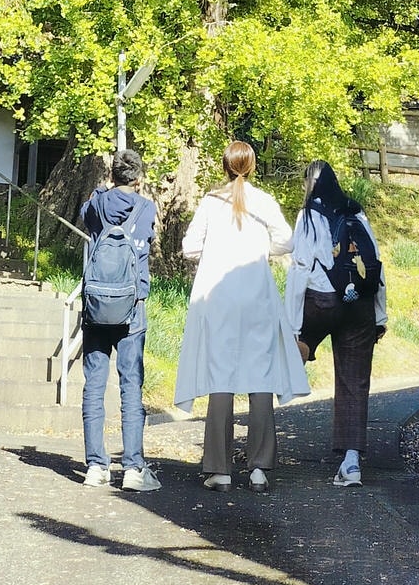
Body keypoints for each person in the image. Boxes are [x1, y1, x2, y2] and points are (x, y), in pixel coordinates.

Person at [174, 141, 309, 491]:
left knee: (221, 378)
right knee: (259, 376)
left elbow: (189, 247)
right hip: (257, 295)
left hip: (218, 295)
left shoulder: (209, 202)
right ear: (251, 167)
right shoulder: (263, 201)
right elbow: (287, 242)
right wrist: (262, 247)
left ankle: (219, 469)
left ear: (224, 165)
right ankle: (259, 467)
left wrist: (216, 249)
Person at [284, 161, 386, 486]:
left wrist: (293, 323)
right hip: (360, 306)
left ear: (309, 186)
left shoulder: (309, 216)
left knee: (298, 340)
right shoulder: (356, 212)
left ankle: (293, 368)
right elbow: (376, 267)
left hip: (322, 302)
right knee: (354, 382)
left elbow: (300, 268)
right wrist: (380, 316)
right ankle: (352, 463)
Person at [79, 148, 160, 491]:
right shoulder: (146, 208)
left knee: (94, 385)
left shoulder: (98, 203)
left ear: (112, 175)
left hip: (97, 306)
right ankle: (133, 469)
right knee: (130, 387)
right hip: (132, 307)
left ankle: (96, 466)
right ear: (139, 177)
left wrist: (101, 189)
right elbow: (149, 241)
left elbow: (85, 214)